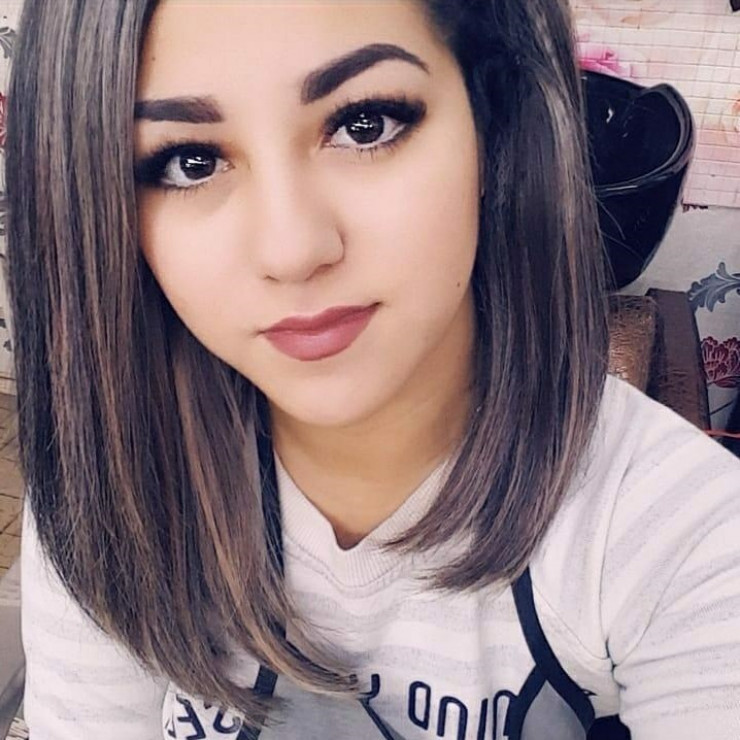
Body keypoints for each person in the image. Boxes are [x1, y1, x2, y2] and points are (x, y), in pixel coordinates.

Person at [5, 0, 740, 738]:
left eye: (365, 125)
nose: (293, 250)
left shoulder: (684, 534)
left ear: (492, 127)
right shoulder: (112, 487)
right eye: (191, 163)